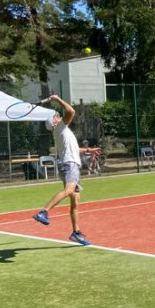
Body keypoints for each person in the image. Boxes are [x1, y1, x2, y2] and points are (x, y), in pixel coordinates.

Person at [32, 95, 92, 245]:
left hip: (70, 164)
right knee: (69, 190)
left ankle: (76, 233)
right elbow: (71, 111)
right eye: (56, 116)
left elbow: (75, 149)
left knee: (75, 200)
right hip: (69, 165)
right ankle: (43, 211)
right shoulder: (60, 127)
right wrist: (57, 99)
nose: (58, 115)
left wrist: (89, 150)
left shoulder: (62, 131)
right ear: (54, 123)